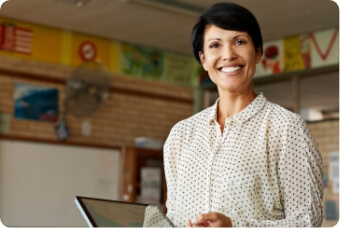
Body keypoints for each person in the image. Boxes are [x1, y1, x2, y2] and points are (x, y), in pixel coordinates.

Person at [163, 2, 323, 227]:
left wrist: (235, 226)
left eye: (239, 42)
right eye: (215, 45)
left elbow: (308, 221)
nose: (228, 55)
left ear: (257, 53)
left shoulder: (286, 127)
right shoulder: (181, 135)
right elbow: (173, 217)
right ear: (203, 59)